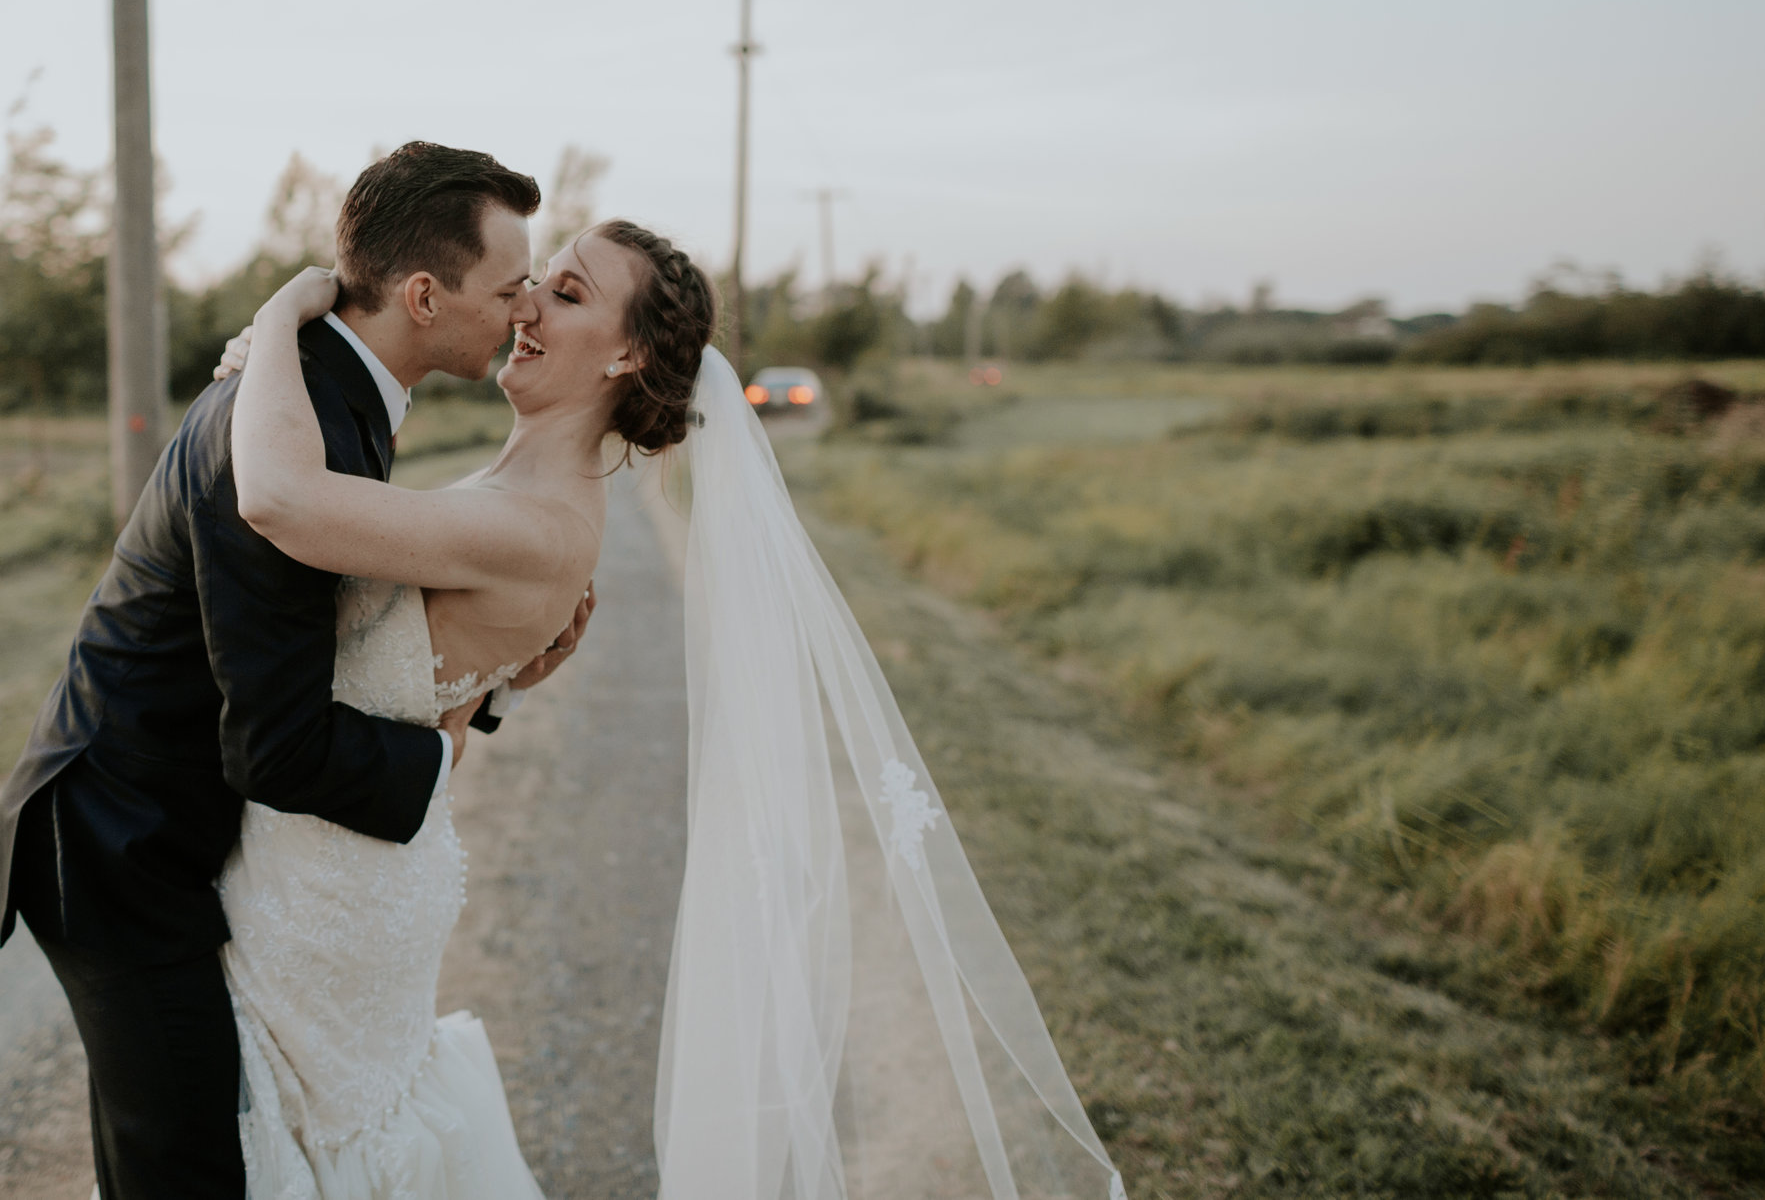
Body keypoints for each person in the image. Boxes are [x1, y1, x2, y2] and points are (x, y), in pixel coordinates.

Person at [218, 208, 1130, 1198]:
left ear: (626, 356)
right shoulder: (506, 487)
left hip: (325, 900)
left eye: (565, 294)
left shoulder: (541, 521)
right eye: (537, 283)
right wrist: (491, 695)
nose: (525, 305)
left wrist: (280, 319)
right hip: (332, 871)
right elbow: (413, 717)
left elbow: (282, 501)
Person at [0, 143, 591, 1200]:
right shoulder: (292, 419)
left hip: (169, 823)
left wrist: (487, 681)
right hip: (116, 838)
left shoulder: (324, 394)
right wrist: (437, 754)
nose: (525, 308)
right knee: (182, 1168)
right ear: (422, 294)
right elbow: (273, 742)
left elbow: (348, 651)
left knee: (189, 1151)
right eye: (508, 287)